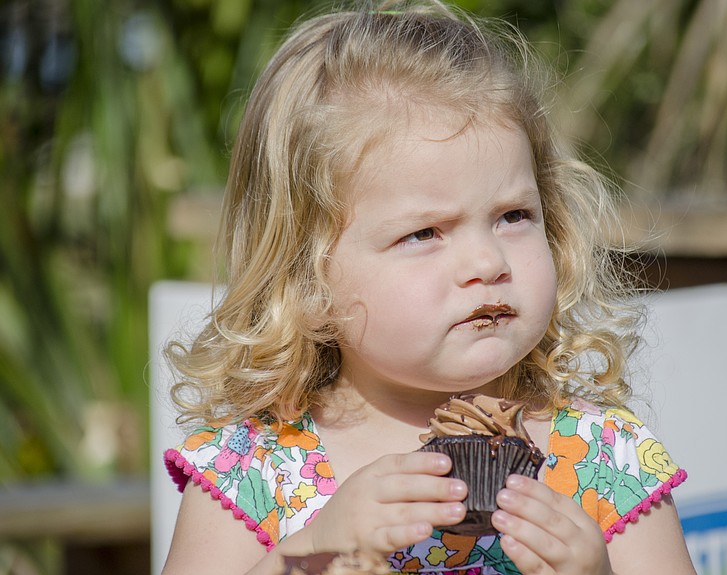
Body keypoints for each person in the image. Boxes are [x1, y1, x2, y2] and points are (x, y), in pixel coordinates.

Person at [161, 1, 696, 574]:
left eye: (513, 216)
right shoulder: (256, 470)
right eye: (424, 233)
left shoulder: (604, 459)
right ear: (308, 277)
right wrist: (308, 555)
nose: (487, 262)